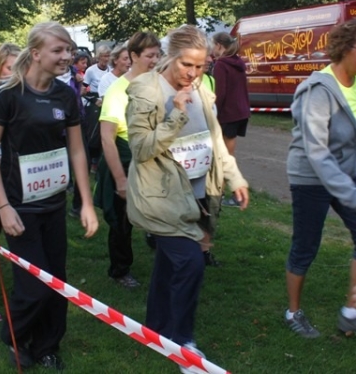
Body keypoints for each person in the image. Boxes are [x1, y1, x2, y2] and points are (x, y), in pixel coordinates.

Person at [125, 25, 249, 368]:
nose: (193, 73)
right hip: (160, 197)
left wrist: (235, 177)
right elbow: (141, 148)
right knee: (190, 263)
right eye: (186, 65)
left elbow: (215, 140)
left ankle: (155, 328)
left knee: (170, 263)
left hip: (197, 194)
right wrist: (176, 114)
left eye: (201, 66)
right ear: (170, 57)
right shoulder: (146, 90)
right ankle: (182, 343)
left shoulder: (202, 89)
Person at [0, 22, 98, 370]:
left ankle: (47, 345)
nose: (67, 56)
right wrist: (3, 206)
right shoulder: (8, 93)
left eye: (69, 50)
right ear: (35, 53)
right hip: (19, 206)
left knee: (56, 281)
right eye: (58, 50)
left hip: (54, 202)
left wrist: (86, 202)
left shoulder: (65, 94)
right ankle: (14, 336)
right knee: (33, 286)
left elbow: (77, 150)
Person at [284, 17, 356, 339]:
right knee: (306, 246)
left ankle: (352, 314)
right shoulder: (317, 91)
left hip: (346, 173)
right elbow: (317, 152)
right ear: (344, 48)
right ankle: (293, 312)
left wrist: (354, 166)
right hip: (310, 178)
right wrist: (351, 192)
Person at [94, 32, 161, 288]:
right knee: (122, 221)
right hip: (124, 159)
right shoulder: (118, 91)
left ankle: (162, 254)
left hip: (150, 158)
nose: (155, 60)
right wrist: (120, 180)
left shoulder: (157, 84)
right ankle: (120, 269)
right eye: (150, 55)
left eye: (157, 55)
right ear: (133, 56)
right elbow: (107, 138)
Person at [211, 32, 251, 207]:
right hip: (240, 112)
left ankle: (226, 194)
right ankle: (226, 193)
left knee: (223, 157)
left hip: (227, 114)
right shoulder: (238, 63)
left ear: (219, 45)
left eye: (213, 45)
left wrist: (213, 113)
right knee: (227, 155)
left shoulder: (221, 64)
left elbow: (220, 93)